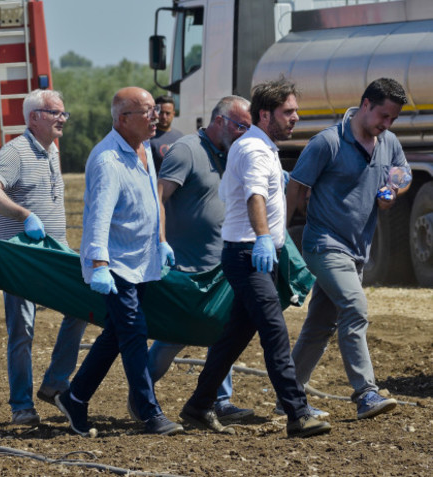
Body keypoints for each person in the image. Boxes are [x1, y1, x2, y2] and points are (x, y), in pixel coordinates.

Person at [181, 77, 332, 438]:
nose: (295, 118)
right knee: (274, 334)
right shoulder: (253, 150)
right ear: (265, 114)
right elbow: (255, 198)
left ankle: (198, 406)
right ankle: (297, 413)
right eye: (288, 112)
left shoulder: (262, 147)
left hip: (256, 253)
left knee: (234, 336)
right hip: (249, 254)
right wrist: (264, 238)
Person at [55, 86, 183, 437]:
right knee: (134, 333)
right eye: (147, 111)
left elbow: (152, 199)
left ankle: (75, 397)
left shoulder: (144, 150)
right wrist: (98, 265)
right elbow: (97, 216)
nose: (156, 115)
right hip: (115, 265)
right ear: (123, 119)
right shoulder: (107, 159)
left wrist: (161, 241)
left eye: (155, 109)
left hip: (141, 261)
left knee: (117, 333)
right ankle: (149, 411)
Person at [285, 77, 407, 420]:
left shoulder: (389, 142)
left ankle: (288, 395)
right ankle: (366, 392)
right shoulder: (327, 143)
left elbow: (403, 172)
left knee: (320, 325)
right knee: (355, 308)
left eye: (393, 120)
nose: (386, 125)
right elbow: (295, 188)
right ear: (366, 104)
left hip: (356, 251)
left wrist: (393, 189)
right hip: (324, 244)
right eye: (383, 116)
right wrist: (278, 238)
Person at [135, 96, 254, 431]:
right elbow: (158, 197)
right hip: (187, 267)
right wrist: (158, 243)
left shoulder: (229, 153)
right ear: (219, 120)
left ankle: (220, 401)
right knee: (174, 338)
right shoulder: (186, 150)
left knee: (224, 331)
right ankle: (140, 391)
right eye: (240, 126)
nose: (245, 134)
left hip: (221, 264)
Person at [0, 89, 87, 426]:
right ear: (33, 117)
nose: (62, 119)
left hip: (54, 253)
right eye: (55, 112)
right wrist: (24, 215)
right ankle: (21, 406)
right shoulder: (15, 151)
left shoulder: (52, 148)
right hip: (22, 258)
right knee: (22, 329)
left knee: (83, 304)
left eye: (63, 113)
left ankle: (55, 382)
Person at [150, 95, 183, 172]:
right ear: (155, 112)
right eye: (161, 113)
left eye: (167, 113)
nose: (164, 117)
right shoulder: (147, 138)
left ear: (173, 114)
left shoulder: (180, 136)